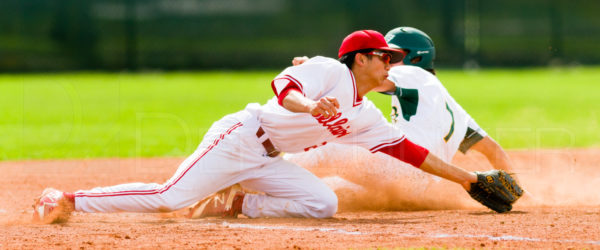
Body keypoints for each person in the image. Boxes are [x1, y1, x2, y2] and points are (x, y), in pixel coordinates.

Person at [34, 30, 482, 223]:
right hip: (240, 138)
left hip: (268, 160)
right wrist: (310, 106)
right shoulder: (328, 69)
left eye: (396, 60)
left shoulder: (366, 114)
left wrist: (470, 180)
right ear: (360, 58)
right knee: (170, 197)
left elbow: (407, 151)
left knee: (322, 204)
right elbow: (282, 85)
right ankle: (68, 198)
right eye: (386, 57)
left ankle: (236, 204)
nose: (392, 65)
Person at [287, 27, 523, 208]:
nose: (385, 60)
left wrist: (313, 67)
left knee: (325, 148)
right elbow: (494, 151)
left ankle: (259, 175)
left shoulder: (410, 72)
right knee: (338, 190)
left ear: (417, 58)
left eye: (392, 55)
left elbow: (362, 79)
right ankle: (281, 193)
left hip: (402, 167)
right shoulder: (448, 104)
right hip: (421, 185)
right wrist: (519, 193)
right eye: (383, 55)